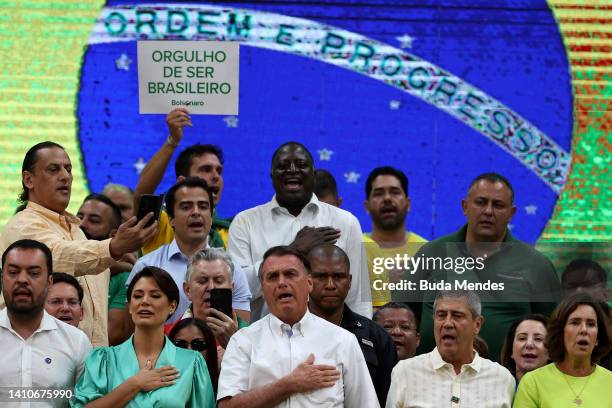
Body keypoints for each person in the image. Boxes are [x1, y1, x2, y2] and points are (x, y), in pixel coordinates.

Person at [0, 141, 156, 346]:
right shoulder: (22, 226)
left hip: (91, 365)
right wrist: (113, 248)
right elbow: (57, 255)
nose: (65, 176)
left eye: (69, 169)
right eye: (53, 169)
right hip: (41, 361)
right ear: (28, 180)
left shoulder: (78, 233)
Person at [411, 173, 560, 361]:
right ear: (465, 207)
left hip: (509, 384)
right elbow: (404, 317)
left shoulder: (537, 265)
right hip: (432, 380)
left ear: (512, 213)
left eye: (498, 205)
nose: (488, 211)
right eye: (481, 202)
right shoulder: (431, 254)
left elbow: (555, 333)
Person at [218, 246, 379, 408]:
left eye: (290, 274)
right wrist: (289, 385)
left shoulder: (343, 341)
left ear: (309, 283)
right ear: (262, 289)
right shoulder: (243, 341)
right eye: (272, 277)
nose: (281, 282)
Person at [228, 141, 372, 321]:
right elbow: (236, 292)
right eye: (283, 166)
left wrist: (362, 343)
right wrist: (294, 249)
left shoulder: (346, 222)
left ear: (313, 174)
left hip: (332, 340)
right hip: (262, 342)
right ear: (271, 175)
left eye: (301, 165)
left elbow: (358, 297)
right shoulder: (245, 222)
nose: (292, 170)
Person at [72, 266, 216, 407]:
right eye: (138, 296)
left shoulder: (192, 363)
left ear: (172, 306)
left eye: (155, 295)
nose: (145, 301)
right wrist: (134, 384)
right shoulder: (103, 360)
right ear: (129, 306)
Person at [128, 178, 251, 323]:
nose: (196, 213)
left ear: (211, 217)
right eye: (186, 207)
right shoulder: (146, 266)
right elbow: (132, 329)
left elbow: (240, 333)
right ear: (171, 219)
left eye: (203, 206)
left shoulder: (233, 269)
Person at [386, 290, 515, 408]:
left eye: (457, 315)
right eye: (441, 315)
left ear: (477, 324)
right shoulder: (405, 372)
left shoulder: (502, 378)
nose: (447, 323)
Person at [0, 240, 91, 405]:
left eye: (34, 273)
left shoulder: (76, 341)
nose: (22, 280)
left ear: (49, 283)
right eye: (13, 272)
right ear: (2, 278)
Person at [307, 244, 396, 406]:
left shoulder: (377, 337)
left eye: (338, 276)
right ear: (307, 280)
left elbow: (387, 400)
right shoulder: (288, 331)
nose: (330, 285)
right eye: (321, 276)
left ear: (349, 281)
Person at [135, 108, 230, 252]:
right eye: (206, 169)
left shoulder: (232, 232)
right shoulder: (165, 222)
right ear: (181, 182)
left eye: (219, 170)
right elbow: (142, 196)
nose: (216, 176)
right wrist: (172, 141)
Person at [513, 293, 612, 407]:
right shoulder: (532, 383)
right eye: (575, 322)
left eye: (591, 324)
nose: (584, 330)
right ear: (560, 333)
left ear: (598, 338)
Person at [363, 166, 427, 307]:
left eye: (395, 192)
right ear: (366, 206)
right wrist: (383, 281)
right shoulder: (354, 248)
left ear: (408, 203)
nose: (387, 198)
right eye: (379, 193)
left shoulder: (427, 251)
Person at [77, 193, 134, 345]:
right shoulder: (56, 265)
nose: (82, 224)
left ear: (114, 235)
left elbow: (112, 334)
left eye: (94, 221)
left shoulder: (126, 278)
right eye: (79, 217)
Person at [180, 248, 248, 347]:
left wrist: (234, 345)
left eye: (219, 281)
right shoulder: (168, 335)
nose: (211, 287)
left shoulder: (252, 336)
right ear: (188, 290)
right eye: (202, 281)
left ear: (231, 289)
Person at [169, 317, 219, 395]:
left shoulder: (224, 387)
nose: (190, 351)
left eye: (198, 344)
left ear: (210, 350)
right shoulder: (159, 386)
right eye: (180, 345)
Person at [500, 314, 549, 382]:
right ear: (511, 350)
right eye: (522, 338)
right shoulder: (497, 386)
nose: (529, 344)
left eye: (538, 339)